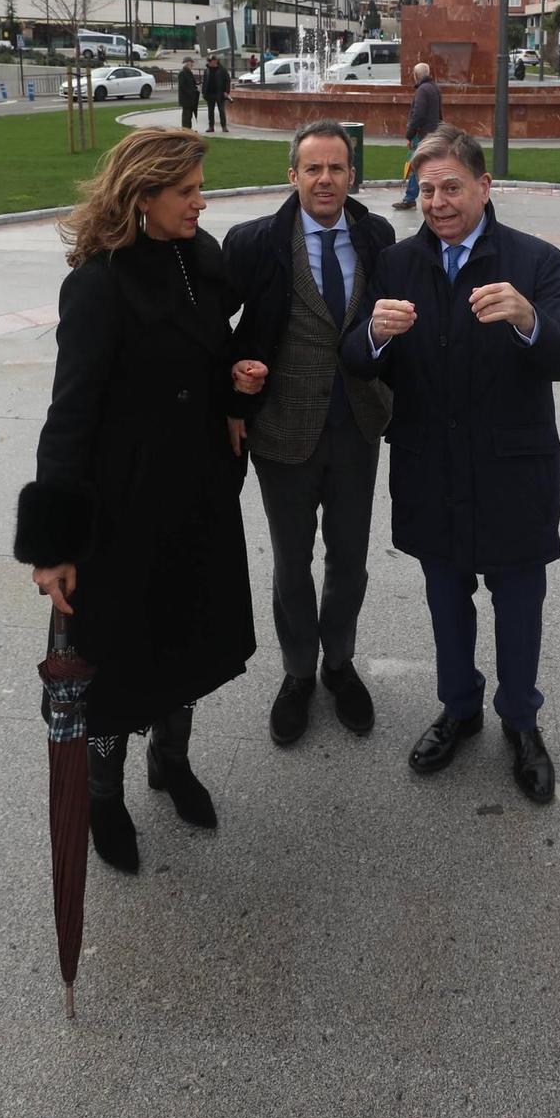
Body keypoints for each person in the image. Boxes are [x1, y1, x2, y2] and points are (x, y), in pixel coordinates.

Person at [14, 129, 266, 871]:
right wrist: (52, 545)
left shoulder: (198, 261)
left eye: (198, 188)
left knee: (187, 640)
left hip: (195, 495)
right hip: (120, 509)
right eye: (186, 191)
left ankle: (173, 762)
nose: (200, 201)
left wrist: (235, 383)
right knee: (119, 663)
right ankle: (103, 796)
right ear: (143, 196)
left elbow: (205, 360)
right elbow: (70, 412)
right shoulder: (97, 284)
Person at [343, 130, 560, 804]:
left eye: (451, 186)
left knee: (517, 605)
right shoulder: (396, 262)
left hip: (512, 469)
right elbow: (355, 358)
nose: (437, 201)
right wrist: (373, 333)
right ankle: (458, 708)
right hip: (430, 466)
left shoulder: (535, 262)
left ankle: (521, 721)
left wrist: (527, 319)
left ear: (484, 187)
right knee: (445, 601)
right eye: (425, 189)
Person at [224, 120, 395, 746]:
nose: (326, 179)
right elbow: (211, 324)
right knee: (292, 564)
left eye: (337, 168)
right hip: (282, 432)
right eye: (313, 168)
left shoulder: (377, 236)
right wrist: (231, 377)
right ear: (292, 175)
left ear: (354, 175)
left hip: (357, 427)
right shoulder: (255, 243)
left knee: (349, 560)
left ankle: (339, 664)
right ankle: (298, 673)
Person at [393, 61, 443, 212]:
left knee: (416, 165)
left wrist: (410, 135)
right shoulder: (435, 88)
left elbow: (418, 115)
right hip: (434, 132)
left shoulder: (422, 90)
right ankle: (420, 196)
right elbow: (439, 113)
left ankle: (410, 199)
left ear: (416, 75)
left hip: (422, 134)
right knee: (426, 165)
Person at [202, 53, 231, 134]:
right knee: (210, 111)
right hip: (209, 93)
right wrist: (204, 92)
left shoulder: (222, 70)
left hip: (220, 93)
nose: (210, 63)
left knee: (221, 110)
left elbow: (227, 81)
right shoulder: (207, 70)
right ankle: (211, 127)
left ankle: (224, 126)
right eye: (209, 61)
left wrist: (226, 91)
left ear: (216, 61)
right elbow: (204, 82)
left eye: (212, 61)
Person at [178, 56, 200, 131]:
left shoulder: (189, 72)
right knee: (186, 116)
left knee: (189, 115)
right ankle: (185, 130)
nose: (192, 64)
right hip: (186, 99)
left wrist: (197, 84)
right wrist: (191, 92)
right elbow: (183, 86)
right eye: (191, 63)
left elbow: (191, 83)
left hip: (191, 98)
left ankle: (189, 130)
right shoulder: (182, 73)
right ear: (187, 63)